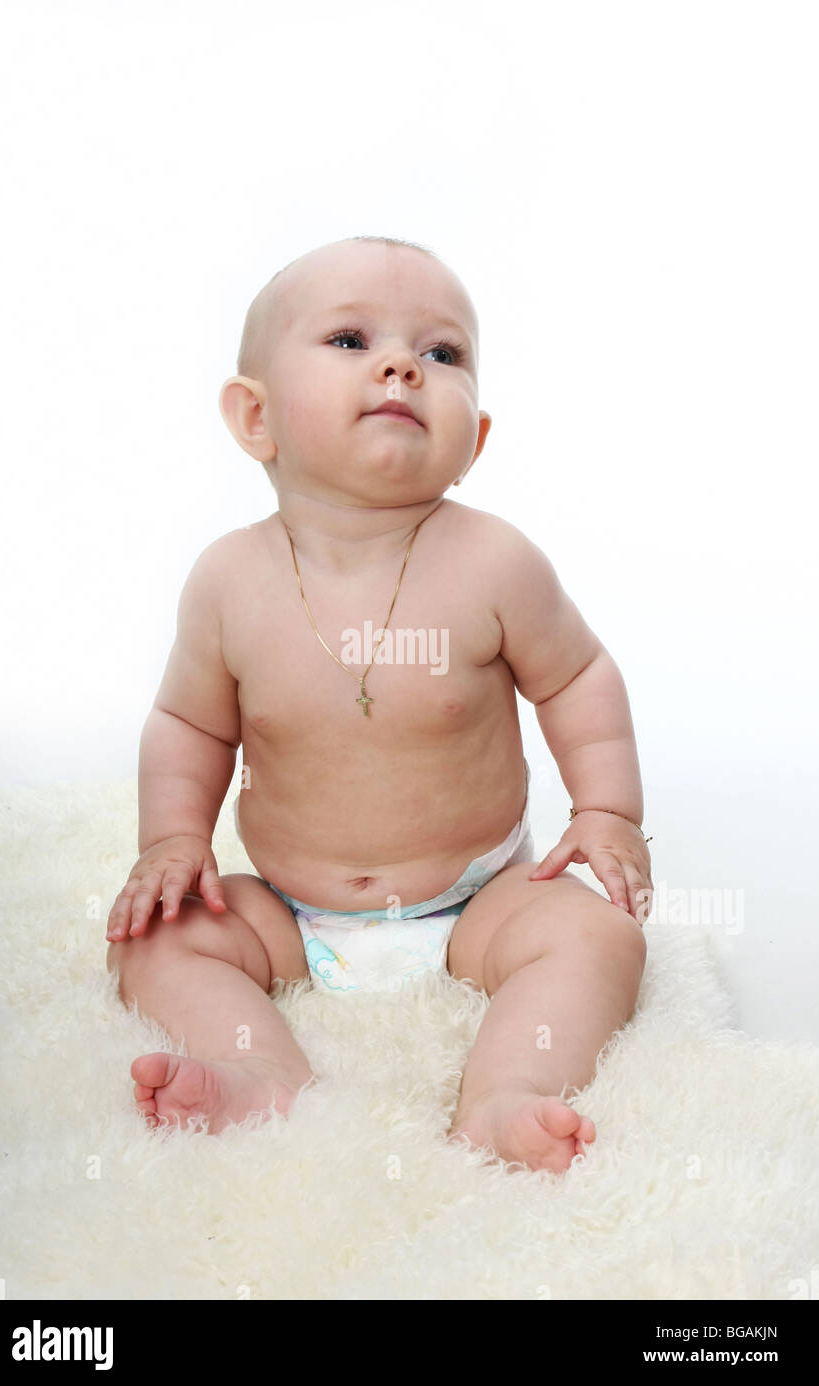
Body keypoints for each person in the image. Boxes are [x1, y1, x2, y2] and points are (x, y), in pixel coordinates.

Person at [105, 235, 653, 1173]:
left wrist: (607, 812)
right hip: (288, 906)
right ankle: (263, 1074)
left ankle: (504, 1091)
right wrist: (173, 840)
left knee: (596, 936)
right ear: (255, 416)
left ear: (472, 439)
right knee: (155, 944)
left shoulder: (494, 563)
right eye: (351, 339)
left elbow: (577, 678)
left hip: (477, 899)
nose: (403, 365)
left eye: (443, 353)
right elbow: (191, 723)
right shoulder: (228, 580)